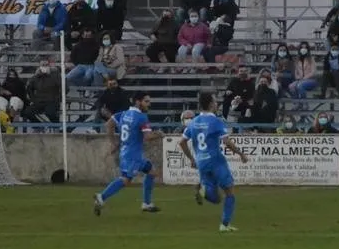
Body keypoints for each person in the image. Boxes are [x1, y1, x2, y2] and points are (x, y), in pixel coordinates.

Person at [178, 92, 248, 232]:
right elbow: (226, 141)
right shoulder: (216, 121)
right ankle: (224, 225)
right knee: (229, 192)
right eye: (215, 101)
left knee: (216, 199)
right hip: (216, 161)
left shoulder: (194, 122)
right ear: (210, 104)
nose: (216, 104)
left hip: (202, 163)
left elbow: (182, 142)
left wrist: (192, 159)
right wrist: (240, 153)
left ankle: (202, 190)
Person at [93, 92, 165, 215]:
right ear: (138, 102)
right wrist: (159, 134)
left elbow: (108, 124)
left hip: (126, 152)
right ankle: (101, 197)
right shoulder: (141, 117)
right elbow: (147, 137)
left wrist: (113, 143)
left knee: (151, 171)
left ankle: (147, 204)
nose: (149, 104)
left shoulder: (123, 114)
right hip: (133, 156)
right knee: (126, 179)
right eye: (146, 101)